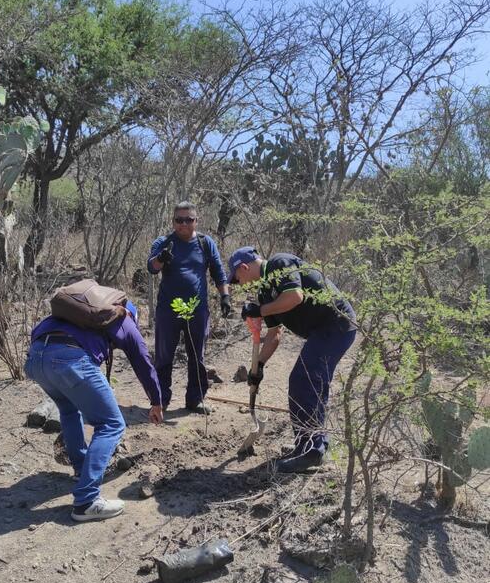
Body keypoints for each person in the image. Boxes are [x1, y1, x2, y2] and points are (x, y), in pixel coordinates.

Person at [25, 300, 162, 522]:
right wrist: (156, 401)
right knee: (111, 424)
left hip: (36, 357)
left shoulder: (78, 312)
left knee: (69, 410)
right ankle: (86, 501)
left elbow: (38, 332)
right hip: (69, 359)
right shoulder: (123, 319)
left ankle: (81, 469)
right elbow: (143, 361)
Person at [227, 247, 357, 473]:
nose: (241, 284)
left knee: (303, 381)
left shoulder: (280, 263)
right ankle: (313, 445)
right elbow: (275, 334)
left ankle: (310, 450)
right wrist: (258, 367)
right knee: (310, 382)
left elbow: (295, 297)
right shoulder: (265, 292)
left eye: (238, 279)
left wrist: (260, 310)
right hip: (322, 332)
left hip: (336, 324)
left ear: (243, 268)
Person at [148, 201, 231, 414]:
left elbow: (218, 272)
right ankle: (161, 400)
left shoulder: (206, 243)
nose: (183, 224)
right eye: (179, 220)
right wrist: (161, 258)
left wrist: (225, 297)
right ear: (173, 221)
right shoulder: (164, 242)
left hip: (198, 309)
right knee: (164, 355)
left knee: (197, 356)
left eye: (188, 220)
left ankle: (195, 400)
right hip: (169, 309)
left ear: (196, 221)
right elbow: (151, 268)